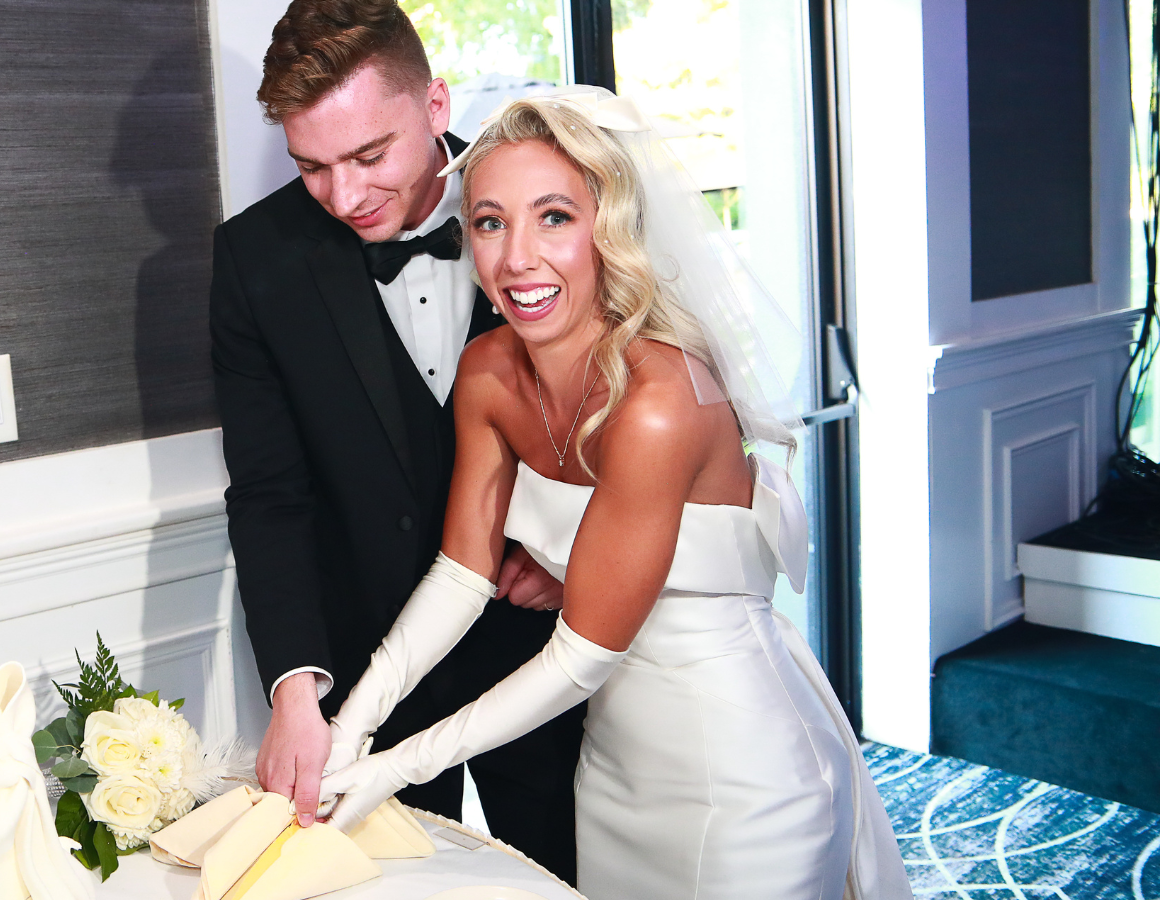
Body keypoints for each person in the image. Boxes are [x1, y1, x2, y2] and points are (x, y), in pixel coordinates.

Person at [319, 88, 914, 900]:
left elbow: (579, 657)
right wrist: (346, 727)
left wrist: (393, 765)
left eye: (554, 217)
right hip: (612, 769)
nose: (517, 256)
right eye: (491, 221)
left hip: (741, 775)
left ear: (610, 227)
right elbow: (463, 576)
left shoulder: (662, 398)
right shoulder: (488, 372)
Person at [209, 0, 583, 881]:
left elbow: (635, 408)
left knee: (568, 875)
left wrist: (575, 550)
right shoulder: (253, 260)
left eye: (369, 155)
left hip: (547, 648)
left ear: (435, 107)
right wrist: (297, 688)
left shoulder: (550, 211)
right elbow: (268, 491)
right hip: (366, 667)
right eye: (313, 166)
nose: (345, 195)